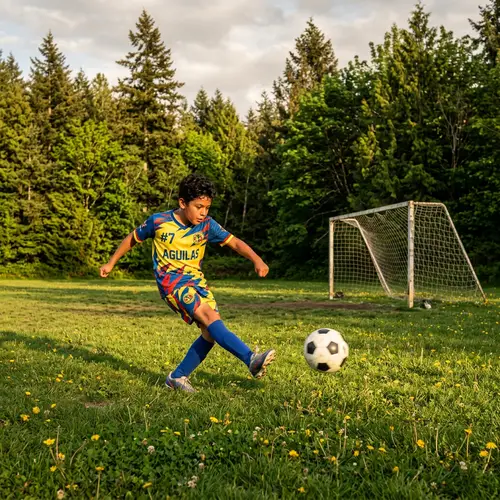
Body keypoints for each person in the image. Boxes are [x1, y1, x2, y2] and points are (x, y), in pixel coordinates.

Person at [99, 173, 276, 392]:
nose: (203, 213)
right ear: (182, 203)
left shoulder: (207, 225)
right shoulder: (159, 221)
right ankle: (251, 359)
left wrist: (257, 260)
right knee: (210, 318)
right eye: (199, 206)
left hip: (198, 283)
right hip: (172, 284)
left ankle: (178, 377)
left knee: (210, 333)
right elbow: (132, 238)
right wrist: (111, 263)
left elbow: (235, 243)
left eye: (207, 207)